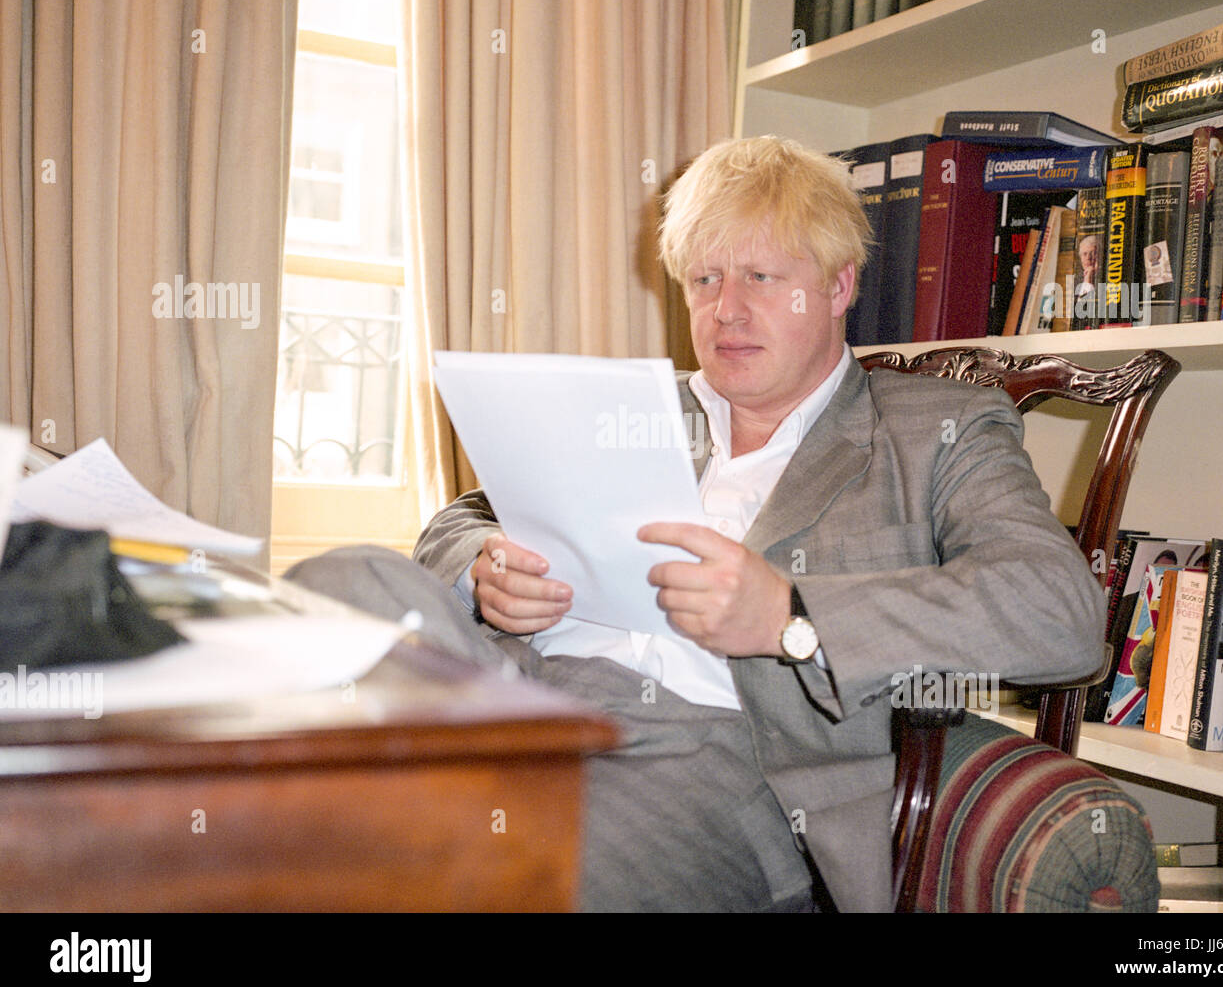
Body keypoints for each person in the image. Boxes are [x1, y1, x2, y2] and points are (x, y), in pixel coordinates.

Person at [287, 135, 1104, 912]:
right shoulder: (642, 408)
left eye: (759, 276)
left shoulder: (939, 429)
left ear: (837, 286)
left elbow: (1059, 610)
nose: (727, 311)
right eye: (705, 280)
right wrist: (482, 565)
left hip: (714, 756)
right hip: (510, 697)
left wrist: (793, 618)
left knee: (504, 868)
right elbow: (462, 516)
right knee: (341, 578)